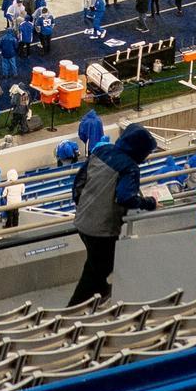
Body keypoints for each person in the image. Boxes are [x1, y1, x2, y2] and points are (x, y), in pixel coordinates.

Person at [68, 123, 159, 305]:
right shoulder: (130, 168)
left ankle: (101, 291)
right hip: (102, 229)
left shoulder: (102, 151)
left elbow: (79, 181)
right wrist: (149, 203)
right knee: (98, 269)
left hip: (83, 221)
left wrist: (82, 206)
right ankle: (73, 309)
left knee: (95, 265)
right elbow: (125, 197)